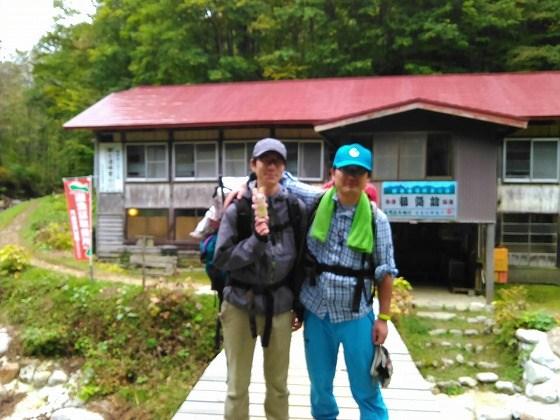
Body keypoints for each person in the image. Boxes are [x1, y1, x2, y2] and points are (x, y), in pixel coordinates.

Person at [285, 143, 398, 420]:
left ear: (367, 178)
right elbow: (285, 182)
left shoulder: (376, 219)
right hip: (317, 311)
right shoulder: (315, 203)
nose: (351, 177)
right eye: (346, 170)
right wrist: (246, 186)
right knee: (320, 387)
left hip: (356, 315)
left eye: (359, 172)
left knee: (366, 389)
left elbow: (385, 272)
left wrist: (382, 318)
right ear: (333, 172)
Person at [213, 138, 306, 420]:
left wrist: (299, 304)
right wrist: (256, 241)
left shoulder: (294, 207)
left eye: (277, 161)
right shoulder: (238, 209)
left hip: (279, 305)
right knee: (237, 386)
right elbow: (222, 258)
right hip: (240, 304)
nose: (271, 166)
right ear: (253, 165)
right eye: (265, 160)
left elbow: (301, 258)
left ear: (284, 168)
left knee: (278, 386)